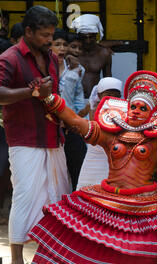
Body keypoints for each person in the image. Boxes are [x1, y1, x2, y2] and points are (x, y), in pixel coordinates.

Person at [28, 69, 157, 264]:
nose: (135, 111)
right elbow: (75, 121)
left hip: (141, 202)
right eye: (133, 106)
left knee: (143, 248)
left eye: (142, 108)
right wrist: (48, 97)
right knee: (63, 220)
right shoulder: (110, 134)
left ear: (152, 114)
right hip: (109, 197)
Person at [0, 6, 72, 264]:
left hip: (53, 136)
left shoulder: (51, 57)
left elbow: (52, 92)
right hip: (24, 138)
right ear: (28, 31)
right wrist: (31, 93)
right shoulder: (9, 57)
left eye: (51, 35)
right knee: (26, 196)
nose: (49, 41)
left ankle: (51, 259)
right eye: (44, 35)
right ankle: (17, 262)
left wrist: (63, 116)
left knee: (57, 195)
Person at [51, 29, 88, 191]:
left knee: (78, 169)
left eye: (65, 44)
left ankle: (76, 207)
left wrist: (79, 116)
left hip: (72, 126)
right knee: (55, 175)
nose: (62, 48)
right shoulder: (43, 68)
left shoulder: (74, 70)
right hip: (51, 127)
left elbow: (78, 98)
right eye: (57, 44)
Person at [76, 77, 122, 190]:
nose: (112, 98)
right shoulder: (94, 107)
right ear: (99, 94)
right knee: (89, 183)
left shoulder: (122, 110)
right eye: (108, 94)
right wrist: (92, 107)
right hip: (94, 153)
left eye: (116, 95)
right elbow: (89, 123)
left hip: (113, 154)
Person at [71, 14, 112, 98]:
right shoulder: (72, 53)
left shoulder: (104, 54)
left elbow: (108, 81)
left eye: (91, 37)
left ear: (96, 35)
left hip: (94, 99)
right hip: (72, 98)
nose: (88, 41)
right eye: (84, 37)